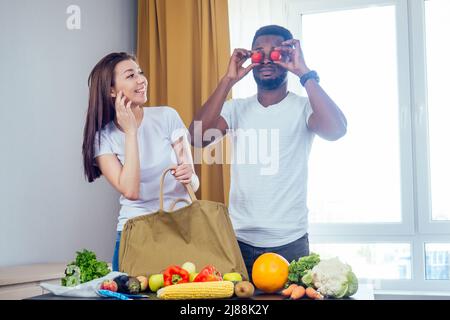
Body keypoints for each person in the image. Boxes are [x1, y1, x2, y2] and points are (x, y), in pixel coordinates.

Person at [189, 25, 347, 280]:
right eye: (259, 53)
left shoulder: (303, 108)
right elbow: (197, 138)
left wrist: (305, 73)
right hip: (239, 241)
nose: (265, 59)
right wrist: (228, 80)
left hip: (290, 242)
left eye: (275, 53)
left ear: (287, 58)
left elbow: (337, 130)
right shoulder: (235, 109)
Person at [82, 52, 199, 271]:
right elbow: (131, 191)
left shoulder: (167, 117)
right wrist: (131, 133)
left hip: (181, 228)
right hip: (137, 231)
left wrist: (189, 176)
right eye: (130, 75)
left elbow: (193, 185)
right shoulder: (103, 138)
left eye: (140, 73)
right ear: (111, 90)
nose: (141, 80)